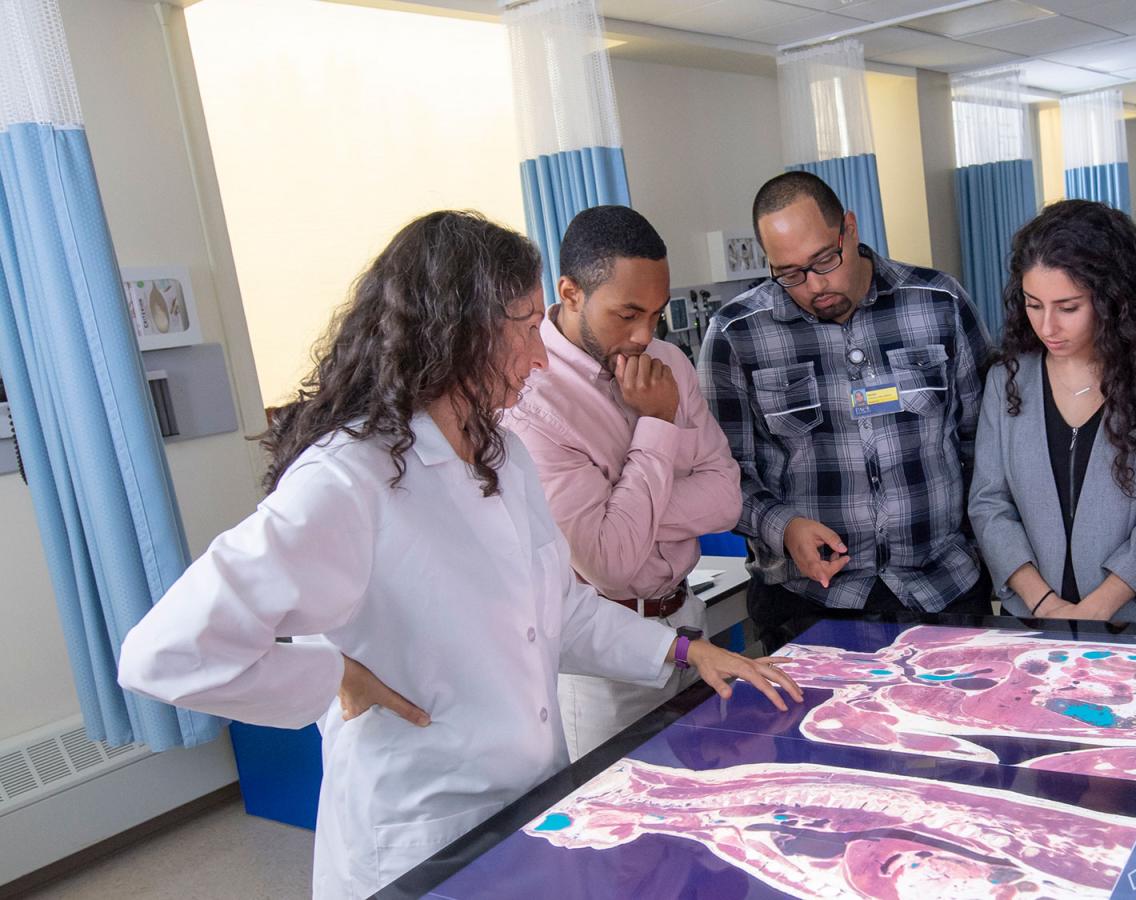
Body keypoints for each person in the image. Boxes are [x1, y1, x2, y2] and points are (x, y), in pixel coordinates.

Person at [116, 211, 800, 898]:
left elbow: (559, 607)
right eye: (526, 328)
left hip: (526, 804)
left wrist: (682, 654)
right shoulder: (348, 476)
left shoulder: (504, 456)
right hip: (422, 831)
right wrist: (330, 674)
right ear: (457, 331)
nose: (540, 358)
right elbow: (167, 654)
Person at [699, 171, 992, 652]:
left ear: (850, 230)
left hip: (944, 591)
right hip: (809, 606)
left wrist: (982, 548)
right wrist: (782, 526)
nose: (815, 286)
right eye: (790, 274)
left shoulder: (938, 304)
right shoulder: (737, 336)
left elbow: (985, 443)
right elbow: (721, 472)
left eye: (824, 260)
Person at [504, 206, 741, 759]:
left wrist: (623, 505)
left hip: (686, 617)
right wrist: (657, 424)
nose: (644, 336)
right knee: (620, 829)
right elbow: (607, 561)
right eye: (627, 314)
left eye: (656, 314)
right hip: (603, 661)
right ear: (570, 293)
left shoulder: (669, 363)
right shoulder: (531, 400)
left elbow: (726, 498)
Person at [968, 200, 1136, 622]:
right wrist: (1044, 604)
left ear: (1114, 299)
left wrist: (1097, 608)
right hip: (1030, 615)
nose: (1047, 327)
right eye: (1033, 304)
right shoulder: (1008, 378)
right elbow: (989, 504)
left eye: (1069, 307)